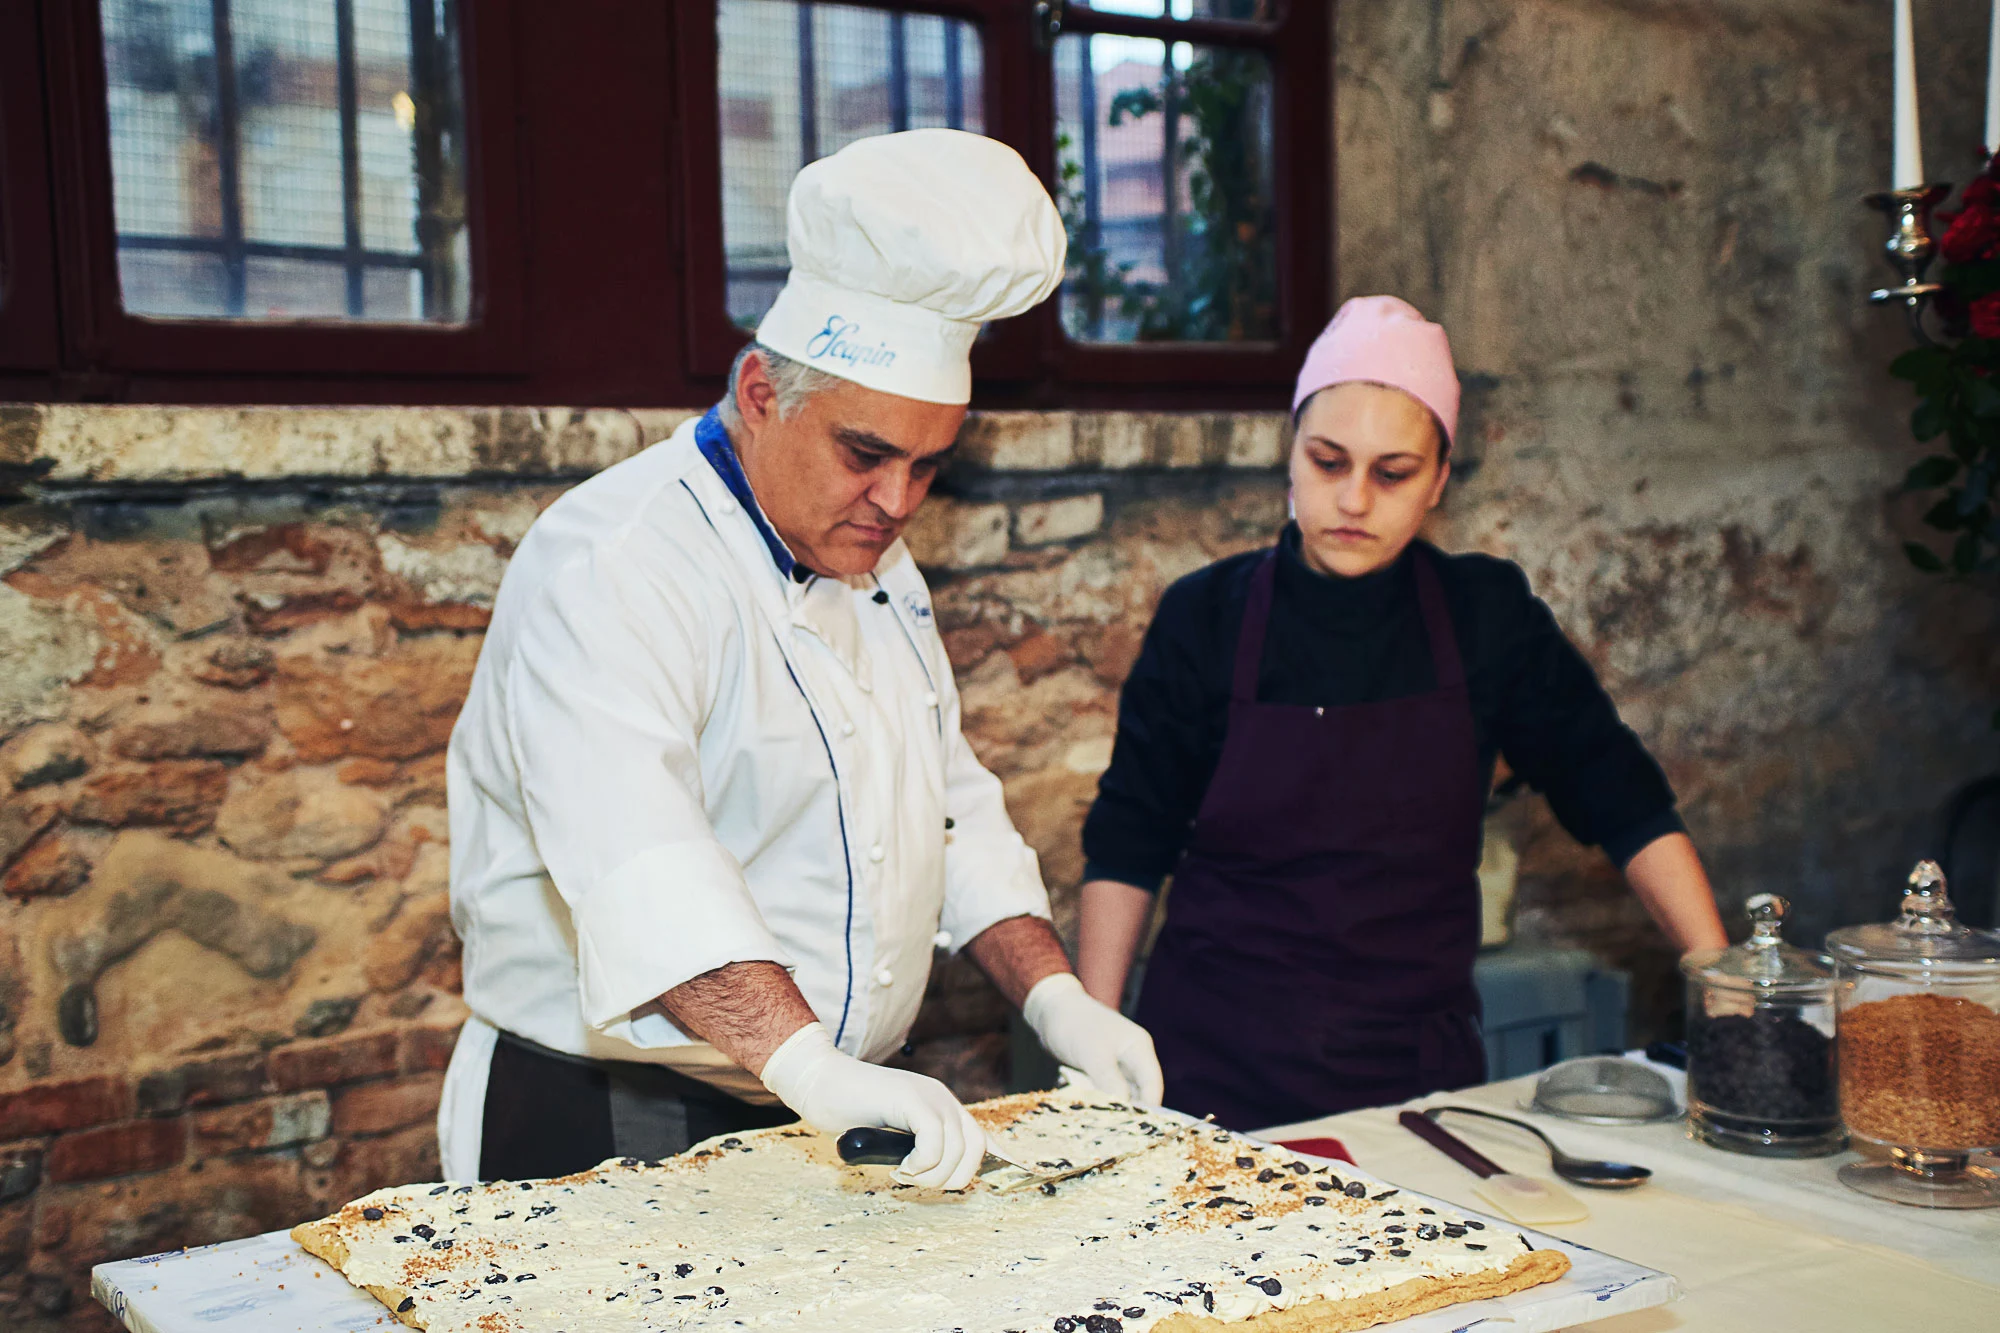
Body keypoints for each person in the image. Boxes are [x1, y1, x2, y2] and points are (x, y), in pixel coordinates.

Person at [440, 130, 1161, 1190]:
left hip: (823, 1100)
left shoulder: (876, 558)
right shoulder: (614, 563)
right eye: (865, 454)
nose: (897, 502)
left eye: (927, 466)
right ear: (761, 392)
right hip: (610, 1116)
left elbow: (946, 805)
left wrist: (1056, 997)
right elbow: (642, 858)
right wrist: (811, 1069)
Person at [1074, 296, 1726, 1132]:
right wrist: (1092, 1043)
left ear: (1440, 480)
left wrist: (1720, 978)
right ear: (1291, 453)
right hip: (1210, 1072)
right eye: (1327, 461)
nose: (1353, 499)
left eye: (1392, 473)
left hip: (1414, 1088)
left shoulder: (1486, 616)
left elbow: (1620, 793)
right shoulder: (1206, 617)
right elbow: (1130, 837)